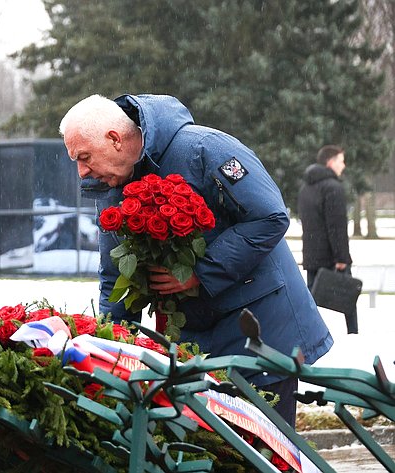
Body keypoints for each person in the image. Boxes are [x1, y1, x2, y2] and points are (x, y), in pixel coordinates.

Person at [59, 94, 333, 427]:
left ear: (115, 140)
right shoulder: (110, 182)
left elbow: (269, 217)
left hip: (262, 333)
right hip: (196, 343)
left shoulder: (204, 149)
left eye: (84, 157)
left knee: (266, 454)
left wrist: (200, 273)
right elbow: (115, 274)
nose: (81, 171)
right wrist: (110, 350)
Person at [298, 145, 357, 334]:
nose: (344, 165)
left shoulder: (306, 188)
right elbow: (336, 226)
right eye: (341, 160)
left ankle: (307, 336)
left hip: (312, 255)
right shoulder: (333, 188)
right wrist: (341, 258)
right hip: (332, 256)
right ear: (331, 162)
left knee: (310, 303)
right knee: (349, 299)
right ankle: (354, 335)